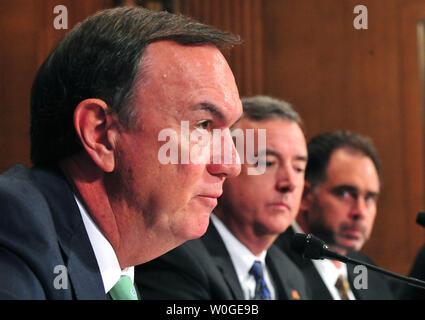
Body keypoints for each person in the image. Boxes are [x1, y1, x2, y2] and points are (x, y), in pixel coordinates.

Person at [0, 7, 243, 299]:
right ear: (100, 135)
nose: (231, 164)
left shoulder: (118, 271)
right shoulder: (15, 236)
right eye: (203, 125)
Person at [135, 95, 311, 300]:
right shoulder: (176, 257)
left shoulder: (292, 274)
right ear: (226, 165)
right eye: (268, 163)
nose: (289, 183)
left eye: (298, 168)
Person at [274, 130, 394, 299]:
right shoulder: (272, 262)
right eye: (344, 194)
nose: (360, 212)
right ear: (306, 195)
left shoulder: (366, 270)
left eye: (368, 198)